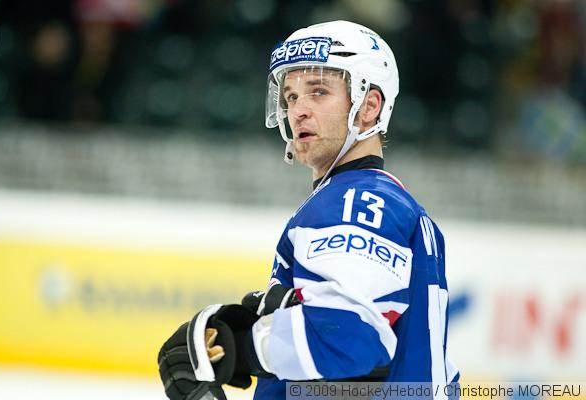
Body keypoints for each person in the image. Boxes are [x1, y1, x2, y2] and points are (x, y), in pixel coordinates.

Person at [157, 20, 459, 400]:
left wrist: (242, 348)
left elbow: (349, 338)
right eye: (291, 96)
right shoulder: (379, 199)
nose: (297, 110)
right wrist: (286, 314)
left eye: (319, 91)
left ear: (369, 106)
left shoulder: (355, 202)